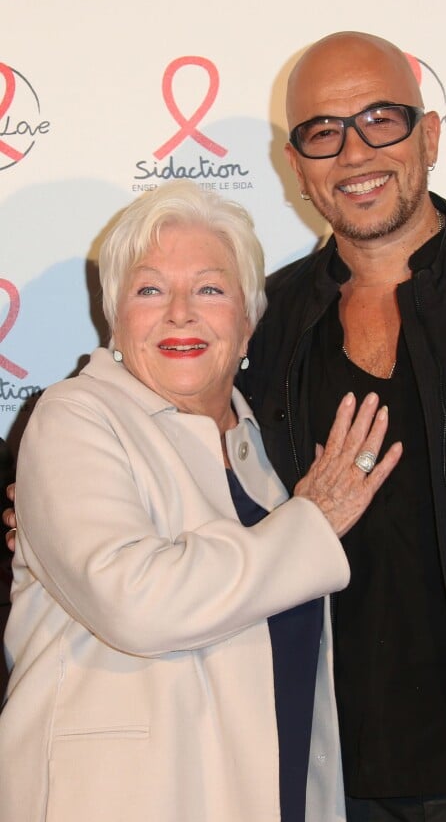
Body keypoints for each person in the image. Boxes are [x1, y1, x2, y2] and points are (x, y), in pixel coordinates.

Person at [236, 31, 446, 821]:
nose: (355, 151)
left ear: (428, 134)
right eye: (324, 131)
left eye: (381, 119)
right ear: (297, 166)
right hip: (335, 776)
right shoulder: (266, 324)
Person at [0, 180, 402, 822]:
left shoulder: (267, 456)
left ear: (247, 324)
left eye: (210, 289)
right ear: (115, 318)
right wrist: (313, 522)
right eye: (149, 289)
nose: (180, 312)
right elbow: (137, 603)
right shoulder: (75, 416)